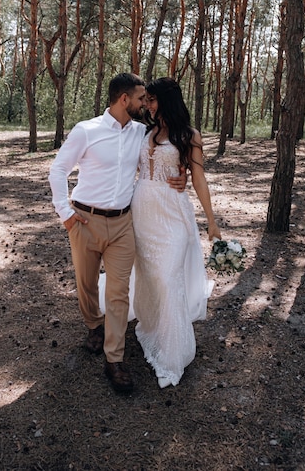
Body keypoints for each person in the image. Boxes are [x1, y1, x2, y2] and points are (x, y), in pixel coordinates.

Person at [48, 73, 185, 394]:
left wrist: (181, 177)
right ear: (125, 99)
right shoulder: (86, 131)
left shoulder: (142, 133)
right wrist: (65, 214)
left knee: (119, 292)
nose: (145, 104)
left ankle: (115, 359)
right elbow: (58, 170)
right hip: (84, 219)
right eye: (141, 99)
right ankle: (93, 324)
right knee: (86, 284)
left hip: (124, 222)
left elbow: (163, 156)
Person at [131, 77, 221, 389]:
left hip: (173, 214)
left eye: (152, 100)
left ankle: (172, 354)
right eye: (146, 100)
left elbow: (198, 179)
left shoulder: (189, 135)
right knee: (150, 275)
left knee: (169, 278)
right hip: (142, 212)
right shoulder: (144, 130)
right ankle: (152, 324)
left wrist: (211, 221)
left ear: (167, 100)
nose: (147, 105)